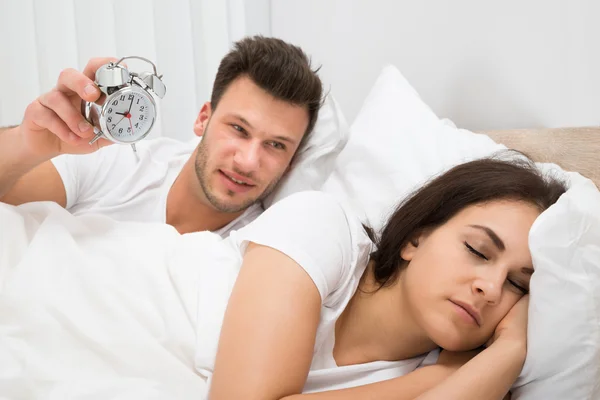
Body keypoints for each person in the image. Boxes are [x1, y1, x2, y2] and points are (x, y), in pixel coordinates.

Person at [204, 153, 567, 399]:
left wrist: (510, 350)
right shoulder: (321, 228)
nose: (489, 289)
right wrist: (435, 380)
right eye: (477, 250)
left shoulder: (469, 378)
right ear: (415, 238)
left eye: (517, 285)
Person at [0, 36, 323, 236]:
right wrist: (27, 145)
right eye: (238, 129)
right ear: (203, 120)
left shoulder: (263, 247)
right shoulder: (117, 164)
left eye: (276, 145)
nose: (248, 161)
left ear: (292, 162)